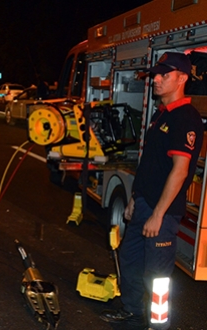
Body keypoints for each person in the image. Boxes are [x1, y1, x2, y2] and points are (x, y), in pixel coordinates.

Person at [100, 52, 204, 330]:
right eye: (155, 74)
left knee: (157, 275)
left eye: (164, 75)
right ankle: (132, 312)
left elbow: (180, 171)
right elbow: (151, 166)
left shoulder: (185, 118)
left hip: (163, 211)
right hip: (145, 203)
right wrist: (135, 199)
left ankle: (158, 325)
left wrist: (158, 214)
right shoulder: (161, 114)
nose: (156, 80)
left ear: (182, 78)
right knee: (130, 259)